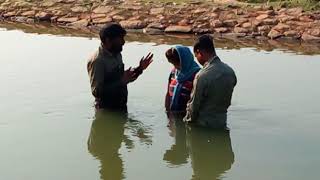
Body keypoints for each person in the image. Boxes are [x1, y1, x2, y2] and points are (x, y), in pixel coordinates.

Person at [87, 23, 153, 111]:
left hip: (120, 106)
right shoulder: (97, 61)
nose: (123, 42)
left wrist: (140, 69)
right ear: (108, 40)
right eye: (120, 39)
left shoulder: (116, 54)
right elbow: (97, 92)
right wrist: (121, 81)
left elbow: (124, 78)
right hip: (106, 111)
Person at [184, 35, 237, 129]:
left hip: (202, 126)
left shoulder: (202, 76)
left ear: (199, 52)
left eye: (196, 56)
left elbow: (194, 106)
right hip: (221, 122)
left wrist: (187, 123)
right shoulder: (230, 72)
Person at [165, 46, 200, 112]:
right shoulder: (173, 73)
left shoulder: (197, 75)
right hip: (174, 113)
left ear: (185, 60)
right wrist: (168, 113)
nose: (175, 66)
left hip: (188, 116)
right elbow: (168, 94)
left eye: (177, 64)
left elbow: (199, 101)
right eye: (173, 63)